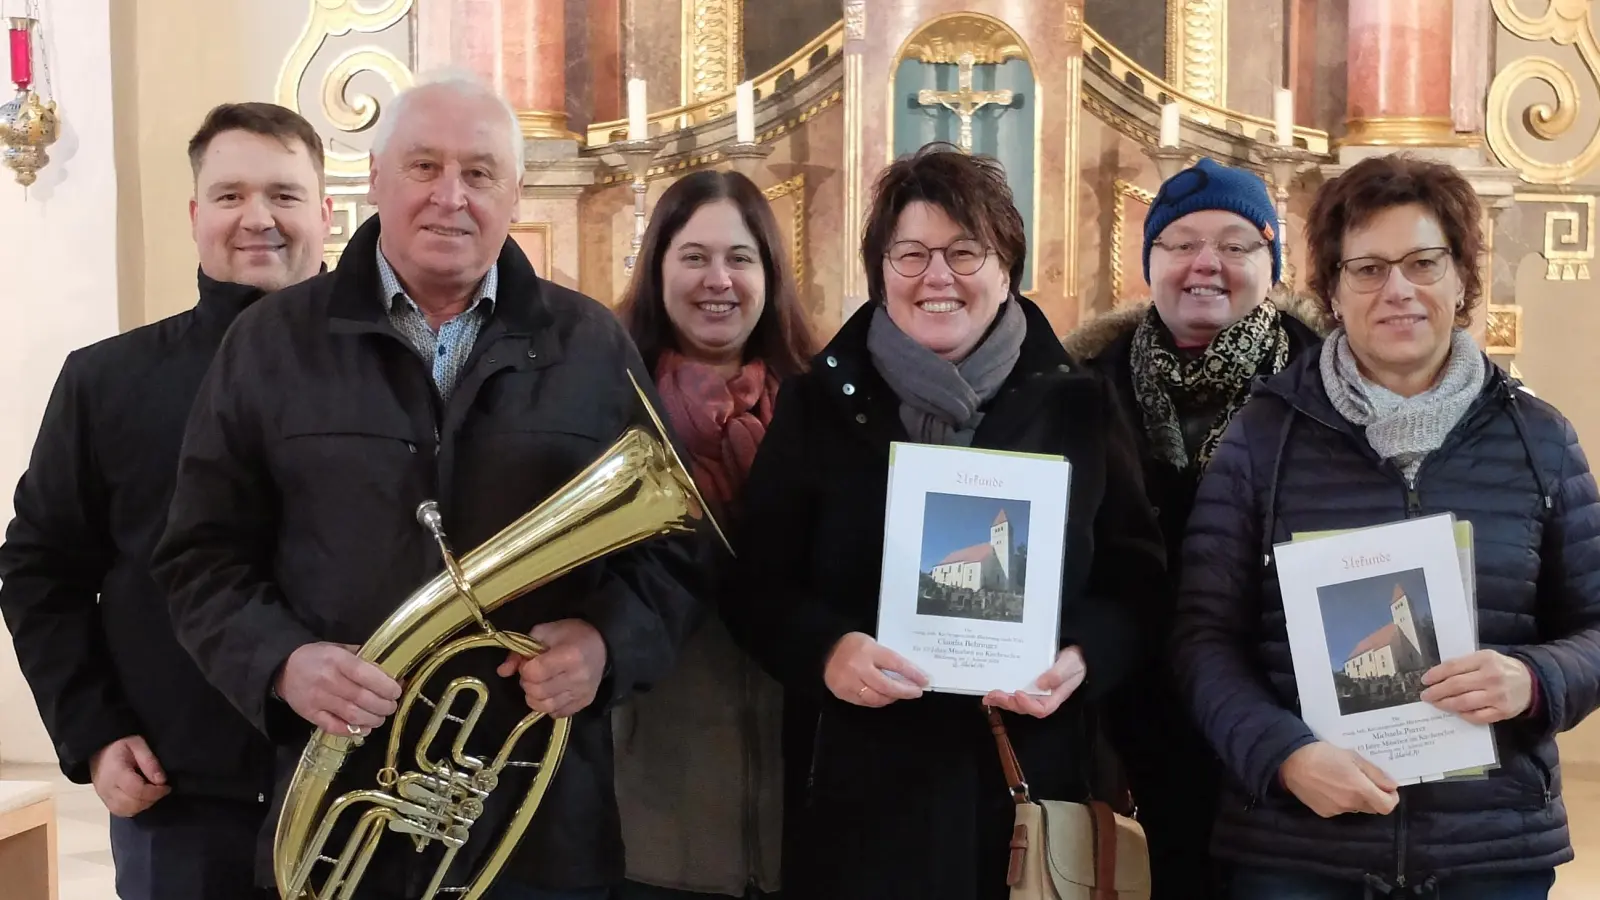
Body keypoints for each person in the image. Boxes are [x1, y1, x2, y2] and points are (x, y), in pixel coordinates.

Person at [151, 73, 706, 900]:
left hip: (541, 825)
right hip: (340, 798)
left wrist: (606, 645)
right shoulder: (269, 344)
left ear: (515, 192)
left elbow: (674, 554)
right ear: (374, 177)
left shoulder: (590, 344)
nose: (451, 196)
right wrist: (283, 662)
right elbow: (200, 558)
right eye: (423, 167)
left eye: (480, 173)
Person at [722, 143, 1166, 900]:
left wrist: (1082, 659)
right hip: (862, 795)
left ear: (1006, 269)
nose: (937, 277)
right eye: (911, 253)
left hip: (1029, 789)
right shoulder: (819, 406)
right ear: (880, 270)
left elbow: (1138, 579)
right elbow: (755, 584)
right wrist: (826, 651)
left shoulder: (1078, 405)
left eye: (966, 252)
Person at [1173, 153, 1600, 899]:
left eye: (1423, 263)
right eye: (1366, 268)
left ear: (1462, 277)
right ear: (1333, 293)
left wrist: (1533, 679)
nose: (1397, 290)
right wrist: (1283, 755)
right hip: (1298, 849)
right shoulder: (1262, 438)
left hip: (1487, 851)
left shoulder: (1540, 440)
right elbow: (1201, 638)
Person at [0, 102, 330, 900]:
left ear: (326, 211)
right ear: (194, 215)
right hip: (178, 794)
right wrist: (96, 733)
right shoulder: (107, 381)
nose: (258, 218)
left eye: (285, 195)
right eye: (229, 195)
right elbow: (42, 571)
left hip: (360, 786)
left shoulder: (401, 373)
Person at [1062, 157, 1324, 900]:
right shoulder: (1082, 386)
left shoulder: (1328, 386)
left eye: (1236, 244)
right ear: (1150, 261)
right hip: (1129, 721)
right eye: (1180, 244)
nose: (1205, 263)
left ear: (1270, 262)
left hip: (1282, 719)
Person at [611, 169, 816, 899]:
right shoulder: (607, 403)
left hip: (804, 805)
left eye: (740, 258)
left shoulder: (822, 406)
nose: (717, 280)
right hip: (653, 799)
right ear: (658, 267)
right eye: (693, 257)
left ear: (770, 273)